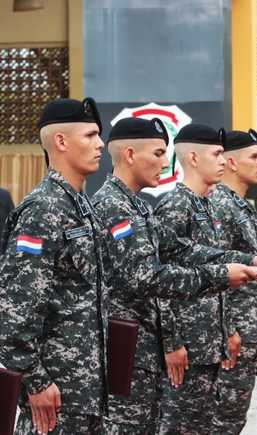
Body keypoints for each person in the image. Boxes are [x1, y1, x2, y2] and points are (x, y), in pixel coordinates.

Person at [92, 117, 257, 434]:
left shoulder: (139, 207)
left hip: (149, 352)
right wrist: (221, 275)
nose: (165, 161)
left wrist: (245, 261)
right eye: (159, 153)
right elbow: (149, 277)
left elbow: (184, 250)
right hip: (130, 349)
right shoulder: (113, 206)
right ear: (130, 154)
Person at [0, 97, 109, 434]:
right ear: (61, 142)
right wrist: (35, 380)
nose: (100, 143)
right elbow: (16, 307)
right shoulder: (42, 209)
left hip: (85, 393)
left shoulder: (80, 206)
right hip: (54, 397)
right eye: (90, 135)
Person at [153, 124, 257, 434]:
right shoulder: (176, 205)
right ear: (193, 158)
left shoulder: (205, 206)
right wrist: (171, 341)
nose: (222, 160)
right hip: (187, 346)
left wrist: (227, 329)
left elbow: (216, 278)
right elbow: (158, 281)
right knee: (179, 427)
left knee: (202, 424)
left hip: (208, 343)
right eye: (216, 154)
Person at [209, 129, 257, 435]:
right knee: (222, 419)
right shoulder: (220, 205)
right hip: (232, 335)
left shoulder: (240, 205)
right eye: (254, 156)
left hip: (247, 330)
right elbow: (216, 273)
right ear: (231, 162)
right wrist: (227, 329)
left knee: (233, 418)